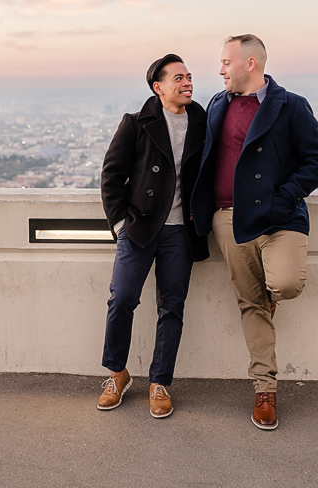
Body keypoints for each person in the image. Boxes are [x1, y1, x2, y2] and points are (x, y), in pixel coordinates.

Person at [190, 34, 318, 430]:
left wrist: (283, 198)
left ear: (250, 63)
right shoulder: (218, 104)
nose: (219, 70)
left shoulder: (290, 106)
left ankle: (270, 299)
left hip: (279, 219)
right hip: (228, 219)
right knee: (250, 304)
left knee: (285, 285)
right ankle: (264, 389)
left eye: (225, 63)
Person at [98, 54, 209, 418]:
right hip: (140, 227)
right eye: (178, 78)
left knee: (171, 307)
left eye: (189, 76)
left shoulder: (202, 121)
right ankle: (118, 374)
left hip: (181, 231)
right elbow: (111, 176)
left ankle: (160, 382)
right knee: (122, 299)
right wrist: (119, 225)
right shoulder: (136, 123)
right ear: (158, 87)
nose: (187, 82)